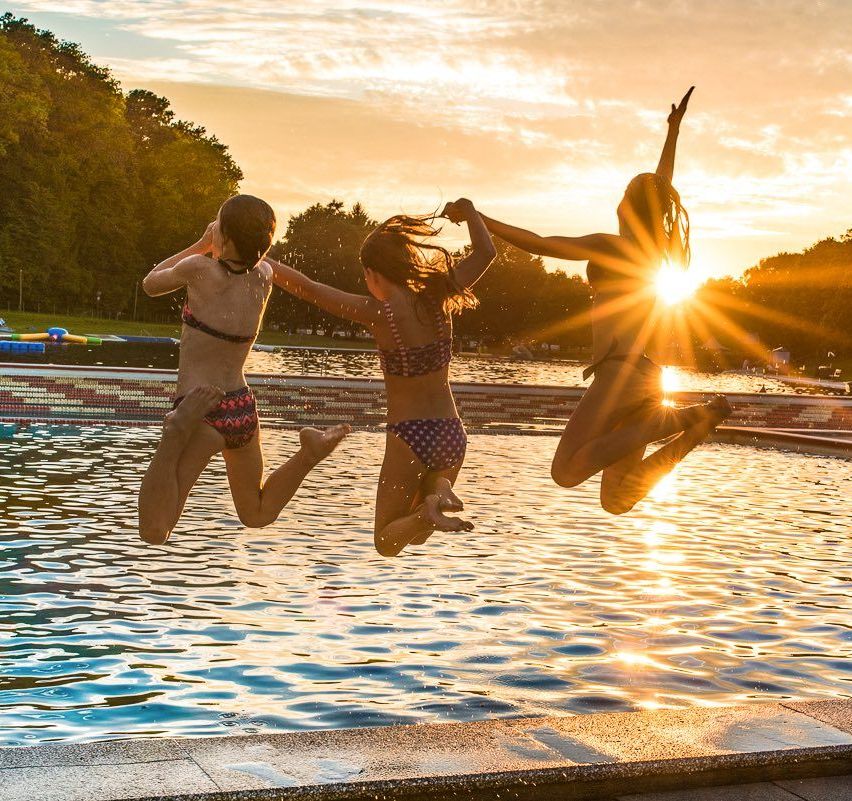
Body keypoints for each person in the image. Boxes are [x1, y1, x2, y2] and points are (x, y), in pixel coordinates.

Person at [473, 88, 731, 514]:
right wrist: (673, 131)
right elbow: (662, 185)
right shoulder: (657, 251)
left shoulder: (610, 247)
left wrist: (478, 217)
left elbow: (538, 243)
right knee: (618, 498)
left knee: (565, 473)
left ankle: (675, 420)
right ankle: (695, 426)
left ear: (627, 207)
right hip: (647, 375)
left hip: (619, 376)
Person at [266, 201, 496, 556]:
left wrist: (258, 259)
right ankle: (439, 490)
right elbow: (486, 252)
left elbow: (308, 289)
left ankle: (434, 504)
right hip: (451, 431)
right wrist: (469, 212)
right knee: (416, 535)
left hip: (410, 434)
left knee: (387, 542)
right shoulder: (440, 293)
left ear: (373, 273)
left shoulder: (378, 313)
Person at [137, 194, 349, 545]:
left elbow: (151, 282)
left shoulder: (199, 268)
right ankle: (308, 454)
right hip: (241, 408)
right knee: (256, 514)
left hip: (199, 408)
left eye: (219, 224)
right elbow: (307, 287)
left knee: (155, 530)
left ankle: (173, 432)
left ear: (227, 236)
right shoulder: (265, 275)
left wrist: (202, 244)